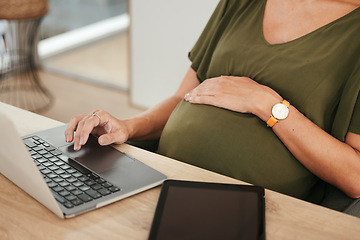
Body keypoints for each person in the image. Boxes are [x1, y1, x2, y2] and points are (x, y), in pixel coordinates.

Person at [65, 0, 360, 203]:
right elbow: (184, 97)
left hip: (251, 206)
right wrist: (127, 126)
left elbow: (355, 176)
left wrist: (267, 105)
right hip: (164, 178)